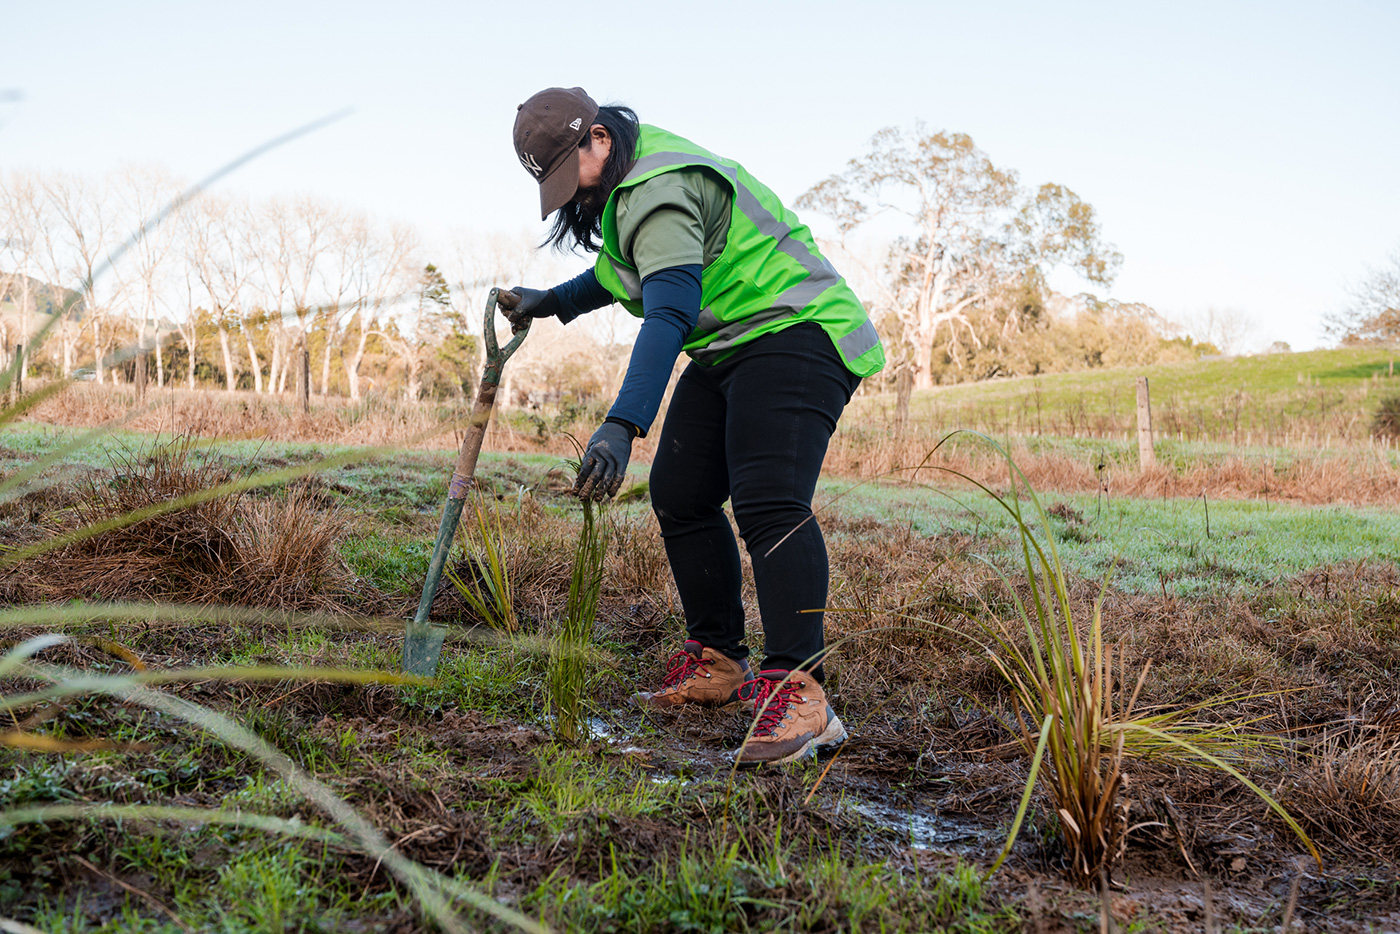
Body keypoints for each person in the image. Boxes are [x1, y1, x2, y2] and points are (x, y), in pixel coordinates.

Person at [505, 87, 884, 767]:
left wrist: (624, 424)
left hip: (799, 330)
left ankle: (802, 692)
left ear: (597, 136)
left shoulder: (658, 186)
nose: (574, 195)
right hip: (735, 344)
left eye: (572, 172)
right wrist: (551, 302)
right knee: (680, 492)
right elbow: (623, 272)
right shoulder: (630, 186)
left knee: (770, 501)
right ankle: (720, 660)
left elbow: (669, 312)